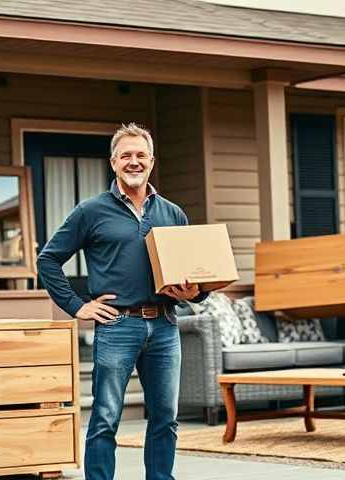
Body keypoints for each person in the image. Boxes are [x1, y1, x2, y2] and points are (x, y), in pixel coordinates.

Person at [37, 123, 207, 480]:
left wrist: (196, 293)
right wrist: (77, 305)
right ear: (113, 162)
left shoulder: (173, 213)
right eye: (126, 155)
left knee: (165, 417)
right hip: (117, 325)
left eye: (140, 155)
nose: (134, 161)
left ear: (152, 161)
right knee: (105, 416)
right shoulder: (91, 211)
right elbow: (48, 260)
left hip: (164, 325)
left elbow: (195, 272)